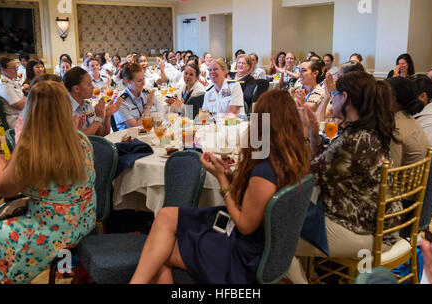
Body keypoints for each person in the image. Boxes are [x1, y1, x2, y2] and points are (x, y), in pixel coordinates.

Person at [129, 89, 311, 284]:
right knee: (164, 222)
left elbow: (245, 225)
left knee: (159, 250)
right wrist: (229, 176)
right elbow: (257, 199)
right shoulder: (293, 159)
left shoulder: (265, 171)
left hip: (244, 255)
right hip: (263, 243)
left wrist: (222, 182)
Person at [289, 71, 403, 284]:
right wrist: (314, 134)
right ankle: (310, 276)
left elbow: (306, 175)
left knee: (278, 238)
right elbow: (322, 165)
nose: (332, 99)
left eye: (335, 94)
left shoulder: (354, 141)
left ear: (347, 98)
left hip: (367, 229)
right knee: (293, 220)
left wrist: (303, 133)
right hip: (376, 220)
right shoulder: (367, 131)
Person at [0, 80, 96, 284]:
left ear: (31, 109)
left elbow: (4, 188)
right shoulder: (81, 140)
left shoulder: (31, 148)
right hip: (85, 221)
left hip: (53, 230)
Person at [63, 67, 121, 136]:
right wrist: (98, 119)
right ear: (76, 89)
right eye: (89, 85)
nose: (93, 87)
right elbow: (77, 141)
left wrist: (107, 116)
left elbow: (102, 134)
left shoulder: (87, 104)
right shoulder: (66, 110)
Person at [386, 77, 429, 167]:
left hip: (400, 180)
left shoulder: (396, 129)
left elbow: (390, 169)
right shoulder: (410, 120)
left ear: (393, 100)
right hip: (414, 179)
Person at [113, 63, 161, 130]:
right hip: (130, 138)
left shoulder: (148, 94)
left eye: (143, 78)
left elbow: (160, 117)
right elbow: (135, 127)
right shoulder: (121, 102)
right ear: (128, 81)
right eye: (139, 81)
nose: (143, 83)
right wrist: (147, 107)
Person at [407, 74, 432, 150]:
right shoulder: (417, 112)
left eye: (410, 96)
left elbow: (416, 153)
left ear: (423, 96)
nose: (406, 100)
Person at [0, 57, 26, 129]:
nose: (16, 70)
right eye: (13, 68)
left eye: (16, 67)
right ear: (3, 69)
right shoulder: (5, 86)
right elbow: (19, 105)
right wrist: (32, 96)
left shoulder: (12, 81)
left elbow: (22, 99)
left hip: (21, 115)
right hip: (16, 120)